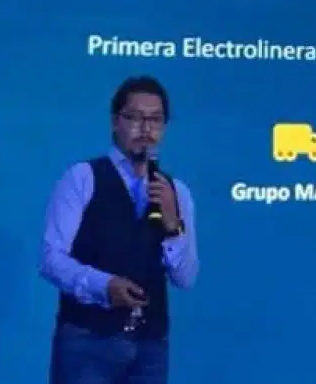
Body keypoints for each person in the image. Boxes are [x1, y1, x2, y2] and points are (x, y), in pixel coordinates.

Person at [40, 76, 199, 384]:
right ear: (115, 122)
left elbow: (186, 278)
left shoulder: (176, 191)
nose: (146, 129)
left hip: (150, 348)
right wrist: (104, 286)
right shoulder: (82, 178)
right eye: (135, 117)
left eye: (155, 119)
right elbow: (50, 259)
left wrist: (173, 226)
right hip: (87, 342)